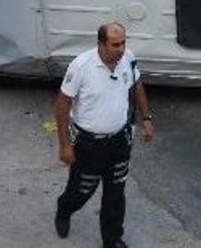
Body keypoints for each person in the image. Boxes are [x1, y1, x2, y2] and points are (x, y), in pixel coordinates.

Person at [54, 23, 154, 248]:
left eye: (123, 43)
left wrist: (147, 117)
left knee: (115, 193)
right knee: (82, 190)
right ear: (100, 44)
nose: (121, 49)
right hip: (89, 145)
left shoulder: (128, 58)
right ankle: (64, 209)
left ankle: (112, 239)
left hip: (120, 141)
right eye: (115, 45)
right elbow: (62, 104)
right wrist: (64, 144)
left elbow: (137, 84)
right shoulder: (81, 66)